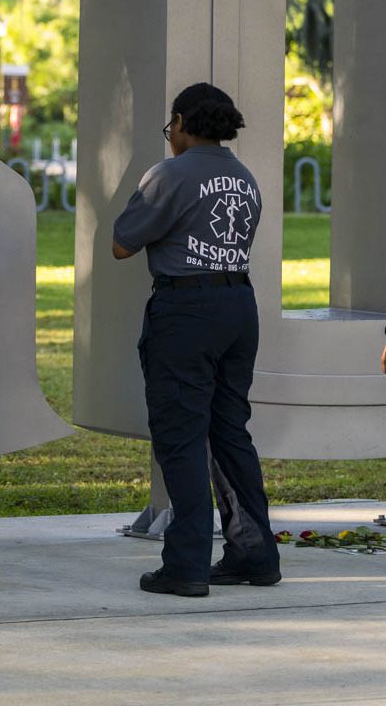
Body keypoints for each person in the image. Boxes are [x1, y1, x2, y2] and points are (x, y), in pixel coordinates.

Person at [113, 82, 280, 597]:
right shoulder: (244, 178)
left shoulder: (170, 175)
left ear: (182, 122)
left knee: (180, 436)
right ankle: (254, 553)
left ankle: (184, 565)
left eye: (171, 127)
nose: (170, 136)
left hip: (186, 310)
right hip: (237, 305)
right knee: (230, 431)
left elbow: (122, 243)